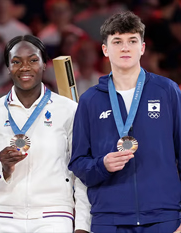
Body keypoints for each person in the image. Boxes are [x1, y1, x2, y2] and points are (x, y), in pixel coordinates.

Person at [68, 11, 181, 233]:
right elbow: (78, 162)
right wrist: (102, 165)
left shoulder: (167, 91)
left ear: (143, 48)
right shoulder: (90, 100)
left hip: (163, 217)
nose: (125, 48)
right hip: (110, 220)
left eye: (132, 41)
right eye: (117, 41)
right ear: (105, 50)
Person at [0, 34, 91, 233]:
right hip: (4, 218)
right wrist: (3, 169)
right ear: (8, 68)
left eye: (33, 60)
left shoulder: (69, 110)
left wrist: (83, 225)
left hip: (54, 216)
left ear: (44, 65)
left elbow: (81, 172)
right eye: (16, 62)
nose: (25, 67)